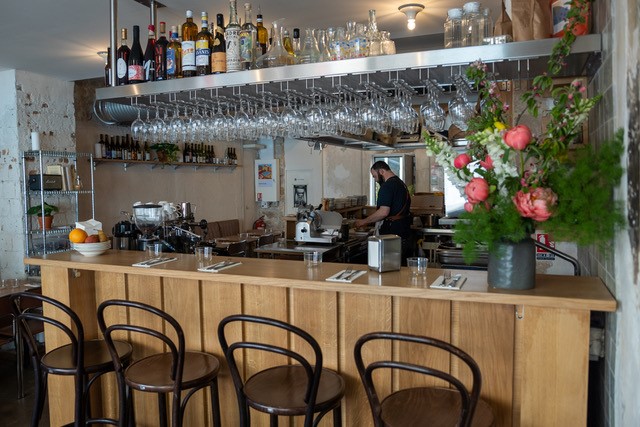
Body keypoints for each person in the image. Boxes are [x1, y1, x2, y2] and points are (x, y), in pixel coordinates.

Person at [355, 161, 412, 263]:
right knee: (401, 267)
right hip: (404, 231)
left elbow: (383, 212)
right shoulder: (401, 183)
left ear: (381, 171)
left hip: (392, 233)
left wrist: (363, 221)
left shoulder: (387, 186)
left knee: (390, 266)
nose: (375, 180)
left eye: (374, 176)